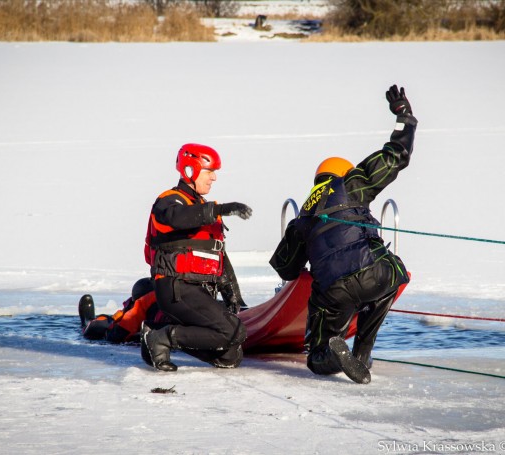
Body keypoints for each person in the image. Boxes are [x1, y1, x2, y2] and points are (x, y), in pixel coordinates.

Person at [269, 84, 416, 384]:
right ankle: (363, 353)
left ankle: (333, 354)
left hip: (334, 291)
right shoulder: (352, 184)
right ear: (342, 173)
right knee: (394, 274)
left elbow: (286, 267)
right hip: (377, 272)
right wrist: (405, 119)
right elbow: (395, 157)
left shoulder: (302, 219)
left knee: (315, 355)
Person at [141, 143, 252, 372]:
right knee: (233, 331)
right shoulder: (170, 201)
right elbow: (176, 218)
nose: (214, 178)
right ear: (190, 170)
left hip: (198, 290)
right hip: (176, 287)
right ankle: (162, 338)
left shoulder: (202, 207)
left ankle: (153, 334)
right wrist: (219, 209)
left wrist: (232, 293)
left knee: (230, 356)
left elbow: (217, 254)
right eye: (209, 171)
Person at [77, 277, 164, 343]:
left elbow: (116, 335)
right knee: (103, 322)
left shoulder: (142, 307)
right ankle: (87, 322)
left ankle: (88, 322)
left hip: (127, 329)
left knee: (100, 324)